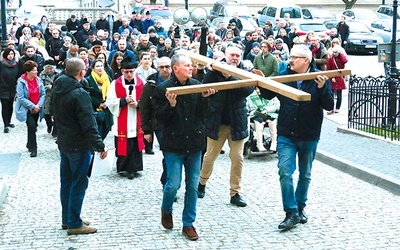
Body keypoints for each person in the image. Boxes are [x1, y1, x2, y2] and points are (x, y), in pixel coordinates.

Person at [259, 44, 334, 230]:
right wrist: (260, 82)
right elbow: (268, 94)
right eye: (290, 56)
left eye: (294, 57)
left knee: (305, 175)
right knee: (285, 171)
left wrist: (323, 87)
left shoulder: (319, 77)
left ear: (306, 61)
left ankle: (300, 208)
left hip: (309, 134)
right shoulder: (284, 75)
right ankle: (290, 212)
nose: (289, 60)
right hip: (287, 133)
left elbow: (329, 104)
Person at [153, 53, 216, 241]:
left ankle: (188, 223)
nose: (191, 68)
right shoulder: (163, 89)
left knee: (193, 186)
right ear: (175, 69)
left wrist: (206, 99)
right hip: (173, 144)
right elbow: (159, 118)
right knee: (172, 184)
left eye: (192, 65)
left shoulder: (197, 86)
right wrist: (171, 105)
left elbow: (203, 115)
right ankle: (166, 210)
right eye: (187, 65)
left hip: (194, 143)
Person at [52, 58, 107, 235]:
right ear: (81, 72)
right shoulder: (79, 94)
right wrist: (99, 145)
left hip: (64, 142)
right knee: (78, 183)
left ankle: (67, 218)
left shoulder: (58, 87)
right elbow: (88, 123)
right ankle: (74, 223)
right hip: (79, 145)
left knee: (67, 182)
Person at [198, 44, 254, 207]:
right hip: (217, 121)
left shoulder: (245, 71)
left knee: (237, 158)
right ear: (226, 55)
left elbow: (247, 90)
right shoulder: (215, 69)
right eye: (232, 55)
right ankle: (202, 183)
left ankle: (235, 193)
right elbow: (204, 87)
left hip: (237, 122)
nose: (235, 58)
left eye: (237, 55)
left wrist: (229, 77)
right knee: (210, 156)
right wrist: (211, 70)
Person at [106, 58, 144, 180]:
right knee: (124, 145)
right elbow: (110, 102)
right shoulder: (115, 84)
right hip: (122, 120)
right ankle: (123, 167)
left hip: (136, 120)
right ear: (122, 71)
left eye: (131, 71)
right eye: (126, 71)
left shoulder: (141, 83)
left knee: (134, 145)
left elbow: (148, 101)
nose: (129, 74)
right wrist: (123, 101)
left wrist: (138, 104)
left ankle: (135, 168)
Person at [140, 56, 172, 187]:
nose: (165, 70)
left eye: (167, 67)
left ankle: (168, 179)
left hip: (176, 122)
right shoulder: (150, 85)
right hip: (159, 124)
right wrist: (147, 130)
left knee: (172, 154)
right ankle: (168, 183)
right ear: (157, 68)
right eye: (162, 67)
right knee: (168, 153)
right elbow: (144, 108)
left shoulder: (178, 81)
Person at [15, 60, 45, 157]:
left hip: (37, 108)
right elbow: (21, 97)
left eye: (36, 70)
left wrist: (38, 106)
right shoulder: (21, 82)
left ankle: (29, 143)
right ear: (28, 72)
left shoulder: (38, 80)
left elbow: (43, 94)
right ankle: (34, 148)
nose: (36, 72)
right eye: (34, 70)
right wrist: (32, 106)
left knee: (32, 127)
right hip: (27, 109)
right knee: (31, 126)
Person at [85, 59, 113, 140]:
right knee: (97, 129)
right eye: (97, 66)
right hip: (95, 108)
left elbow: (113, 92)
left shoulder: (108, 78)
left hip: (107, 107)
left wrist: (107, 102)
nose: (100, 68)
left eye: (101, 66)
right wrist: (98, 104)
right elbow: (86, 95)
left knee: (106, 128)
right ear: (93, 68)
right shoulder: (88, 80)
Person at [246, 88, 280, 152]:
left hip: (269, 113)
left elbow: (277, 105)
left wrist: (267, 109)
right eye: (256, 89)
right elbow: (246, 106)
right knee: (259, 123)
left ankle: (274, 143)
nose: (258, 91)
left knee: (272, 122)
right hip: (256, 114)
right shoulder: (250, 96)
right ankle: (259, 144)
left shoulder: (271, 95)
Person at [39, 59, 60, 137]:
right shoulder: (42, 75)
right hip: (46, 96)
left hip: (55, 95)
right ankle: (49, 125)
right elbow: (40, 86)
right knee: (46, 113)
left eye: (51, 68)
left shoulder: (58, 74)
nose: (49, 70)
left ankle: (55, 130)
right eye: (47, 68)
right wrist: (47, 87)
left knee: (55, 113)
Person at [0, 48, 19, 133]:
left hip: (12, 88)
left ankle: (9, 121)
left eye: (12, 54)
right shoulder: (1, 64)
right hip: (3, 88)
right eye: (9, 54)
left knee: (11, 106)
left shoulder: (16, 64)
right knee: (5, 106)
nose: (11, 56)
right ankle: (5, 125)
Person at [326, 45, 348, 114]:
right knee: (331, 94)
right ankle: (331, 108)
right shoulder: (330, 59)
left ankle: (337, 108)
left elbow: (345, 61)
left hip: (339, 77)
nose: (334, 53)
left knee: (339, 94)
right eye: (333, 52)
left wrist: (340, 54)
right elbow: (328, 69)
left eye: (336, 52)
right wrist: (331, 77)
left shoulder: (341, 58)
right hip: (333, 77)